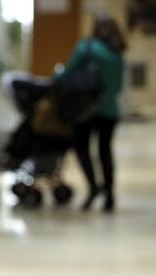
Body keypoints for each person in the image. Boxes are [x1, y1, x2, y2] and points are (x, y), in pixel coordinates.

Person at [57, 16, 127, 212]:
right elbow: (118, 86)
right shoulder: (117, 53)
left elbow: (68, 73)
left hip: (84, 109)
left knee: (81, 147)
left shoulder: (87, 48)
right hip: (110, 110)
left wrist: (55, 79)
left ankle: (93, 186)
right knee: (105, 151)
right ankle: (110, 195)